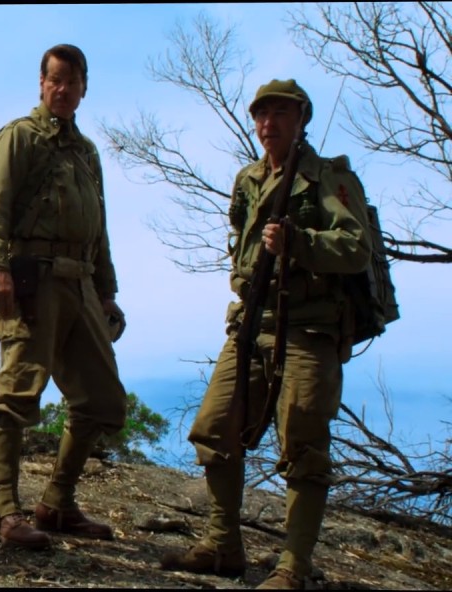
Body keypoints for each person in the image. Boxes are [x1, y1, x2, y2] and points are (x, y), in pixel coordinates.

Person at [159, 79, 370, 590]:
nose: (268, 123)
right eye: (261, 114)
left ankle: (293, 566)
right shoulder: (249, 179)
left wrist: (301, 242)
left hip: (309, 327)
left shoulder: (328, 176)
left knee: (303, 445)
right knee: (214, 428)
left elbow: (356, 247)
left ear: (302, 118)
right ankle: (224, 545)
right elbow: (240, 241)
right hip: (253, 323)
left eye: (280, 113)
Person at [0, 43, 128, 551]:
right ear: (41, 84)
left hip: (81, 281)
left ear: (84, 89)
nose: (62, 89)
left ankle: (57, 502)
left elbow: (100, 228)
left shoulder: (87, 152)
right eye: (54, 80)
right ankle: (5, 511)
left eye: (71, 82)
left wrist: (106, 292)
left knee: (102, 400)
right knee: (17, 393)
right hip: (32, 277)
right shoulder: (20, 136)